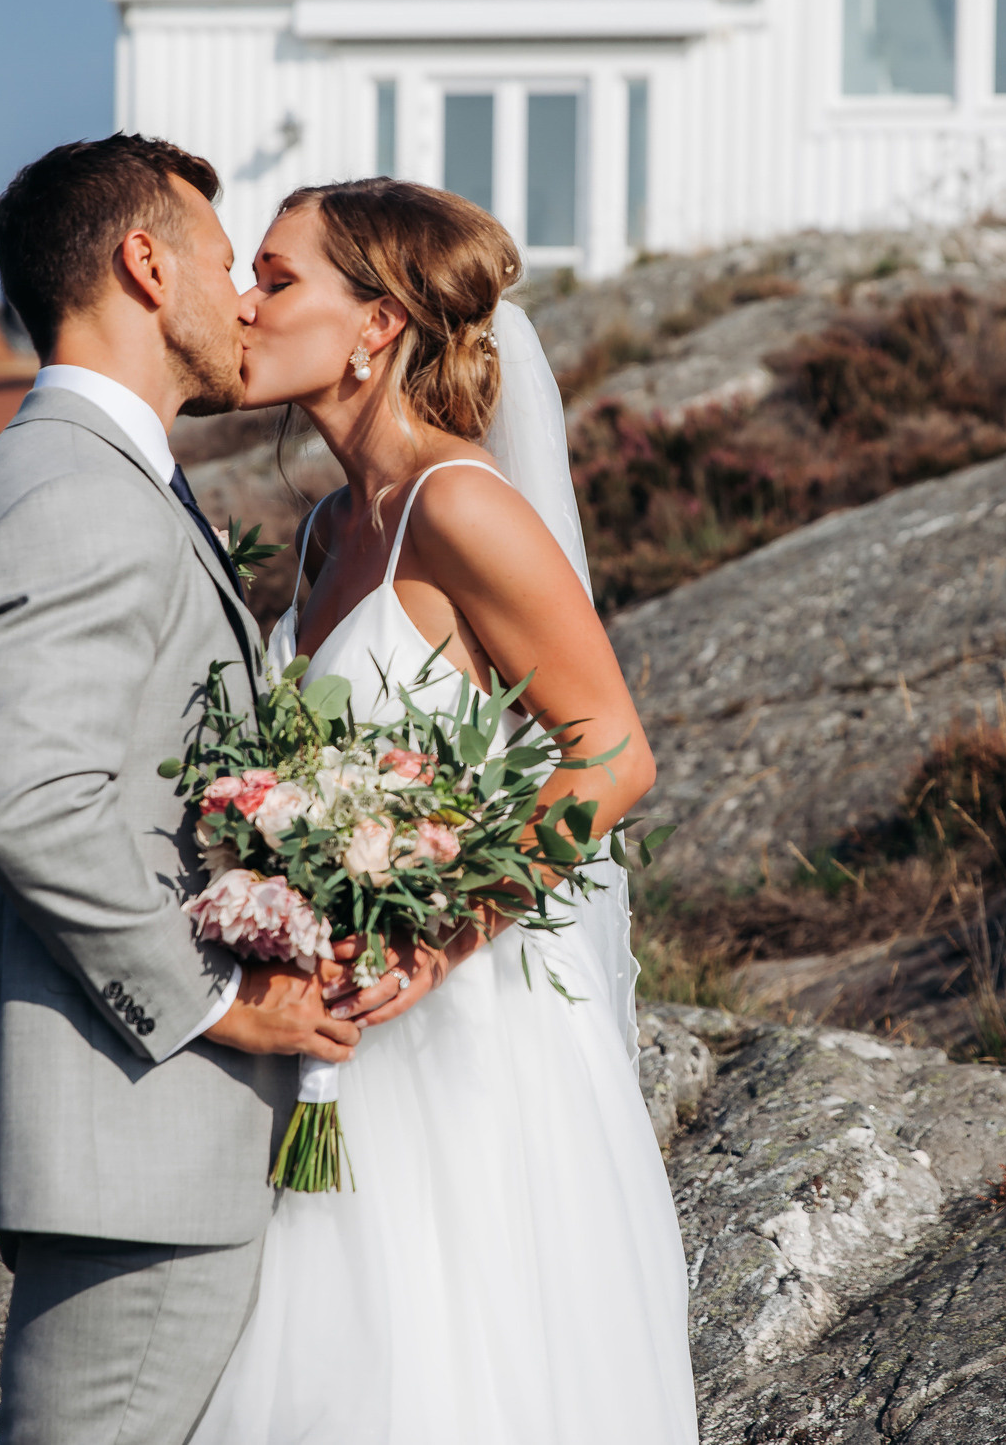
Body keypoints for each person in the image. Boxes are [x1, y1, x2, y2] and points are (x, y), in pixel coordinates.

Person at [188, 178, 700, 1444]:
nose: (243, 305)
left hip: (455, 1029)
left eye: (276, 277)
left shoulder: (458, 505)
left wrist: (432, 935)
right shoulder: (320, 533)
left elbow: (612, 755)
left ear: (377, 321)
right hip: (333, 1029)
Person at [0, 135, 362, 1445]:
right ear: (145, 264)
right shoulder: (79, 499)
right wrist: (217, 997)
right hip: (136, 1134)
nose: (245, 297)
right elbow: (35, 800)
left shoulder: (15, 483)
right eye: (226, 262)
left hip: (121, 1134)